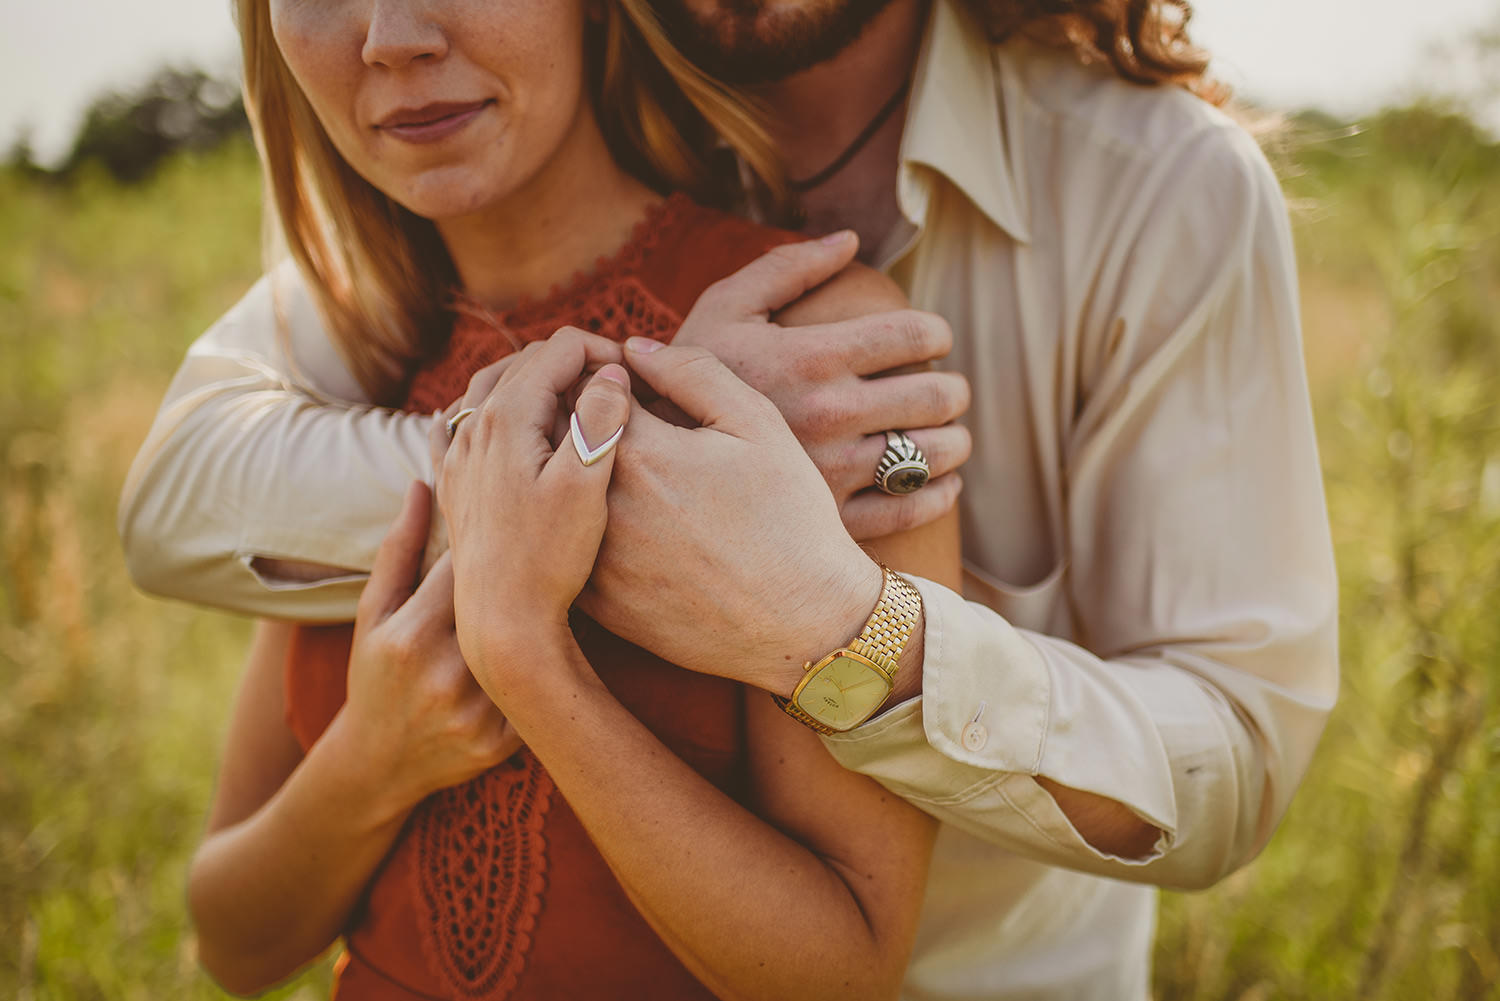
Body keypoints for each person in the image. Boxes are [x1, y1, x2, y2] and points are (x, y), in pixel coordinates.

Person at [122, 1, 1340, 998]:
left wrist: (847, 621)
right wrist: (597, 449)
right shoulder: (414, 259)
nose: (390, 36)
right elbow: (179, 493)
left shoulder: (1146, 193)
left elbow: (919, 462)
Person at [176, 0, 964, 998]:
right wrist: (377, 756)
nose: (391, 36)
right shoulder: (350, 367)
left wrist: (529, 666)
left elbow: (844, 968)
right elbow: (231, 940)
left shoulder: (808, 352)